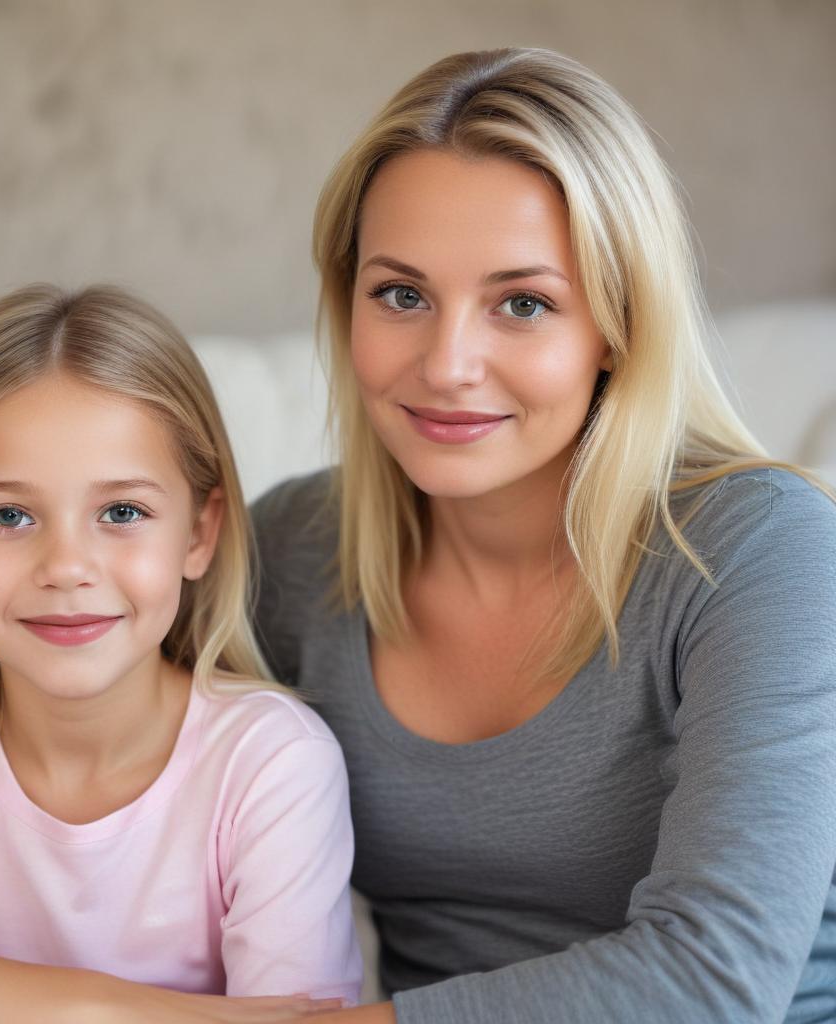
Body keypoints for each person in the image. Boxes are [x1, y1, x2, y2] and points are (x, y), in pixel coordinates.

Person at [252, 48, 836, 1023]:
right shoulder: (291, 551)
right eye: (401, 294)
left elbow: (713, 982)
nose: (447, 365)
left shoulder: (760, 550)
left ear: (615, 324)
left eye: (521, 304)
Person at [0, 284, 362, 1022]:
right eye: (9, 515)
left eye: (122, 512)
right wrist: (98, 1009)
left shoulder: (270, 764)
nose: (67, 566)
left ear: (198, 535)